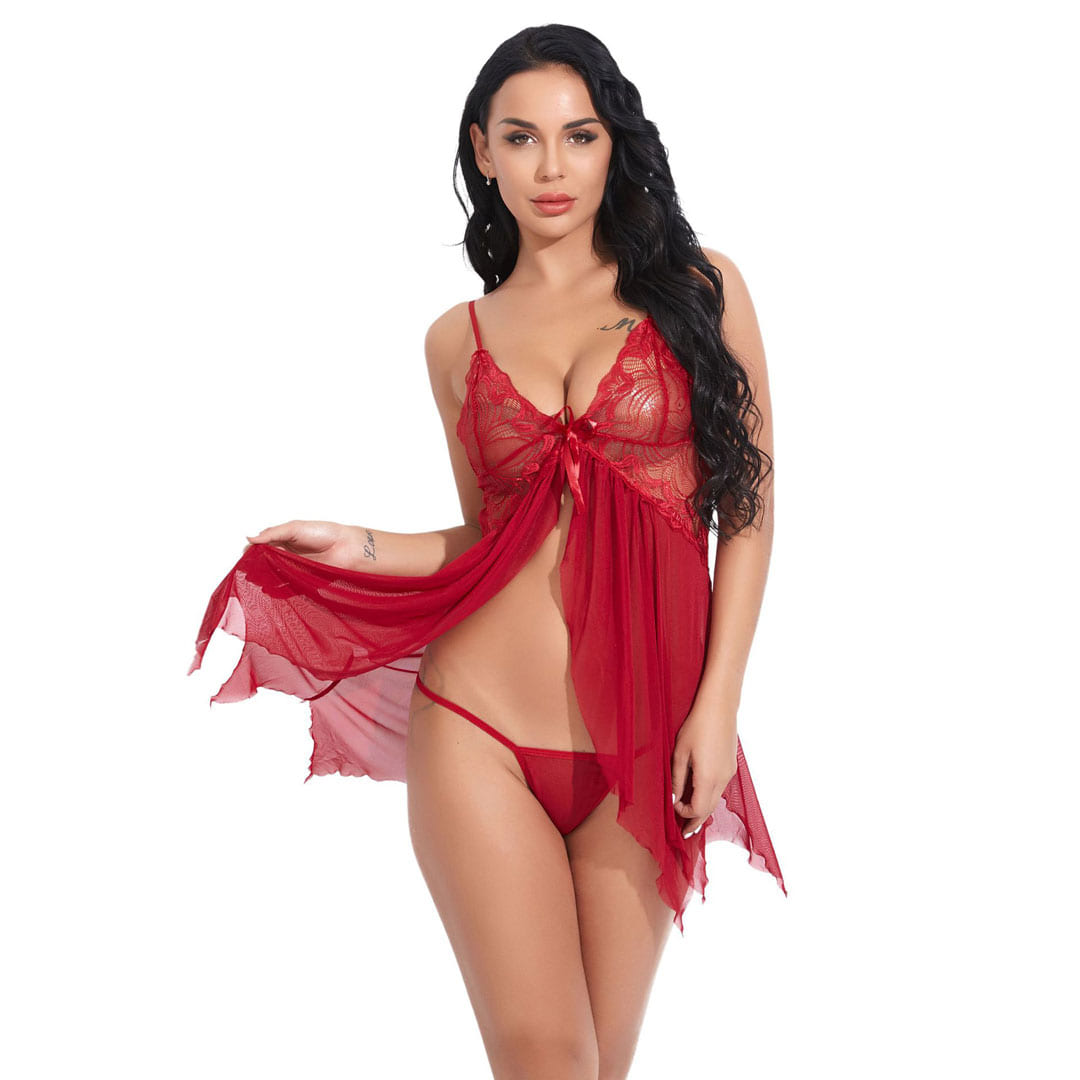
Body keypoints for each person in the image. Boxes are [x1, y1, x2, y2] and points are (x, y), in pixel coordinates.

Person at [189, 24, 786, 1079]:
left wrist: (718, 705)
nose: (552, 168)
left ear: (615, 145)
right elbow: (498, 537)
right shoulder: (456, 339)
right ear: (482, 151)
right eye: (522, 138)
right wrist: (355, 542)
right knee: (546, 1060)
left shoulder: (704, 290)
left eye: (579, 136)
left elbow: (748, 508)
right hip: (479, 730)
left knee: (598, 1067)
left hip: (644, 736)